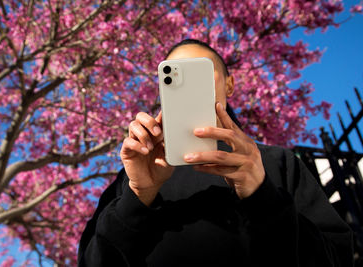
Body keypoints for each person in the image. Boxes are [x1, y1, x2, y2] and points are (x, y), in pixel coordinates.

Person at [77, 39, 354, 267]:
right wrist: (137, 198)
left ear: (230, 85)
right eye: (175, 75)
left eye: (201, 74)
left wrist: (262, 195)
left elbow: (337, 260)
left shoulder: (277, 162)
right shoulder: (135, 175)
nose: (190, 86)